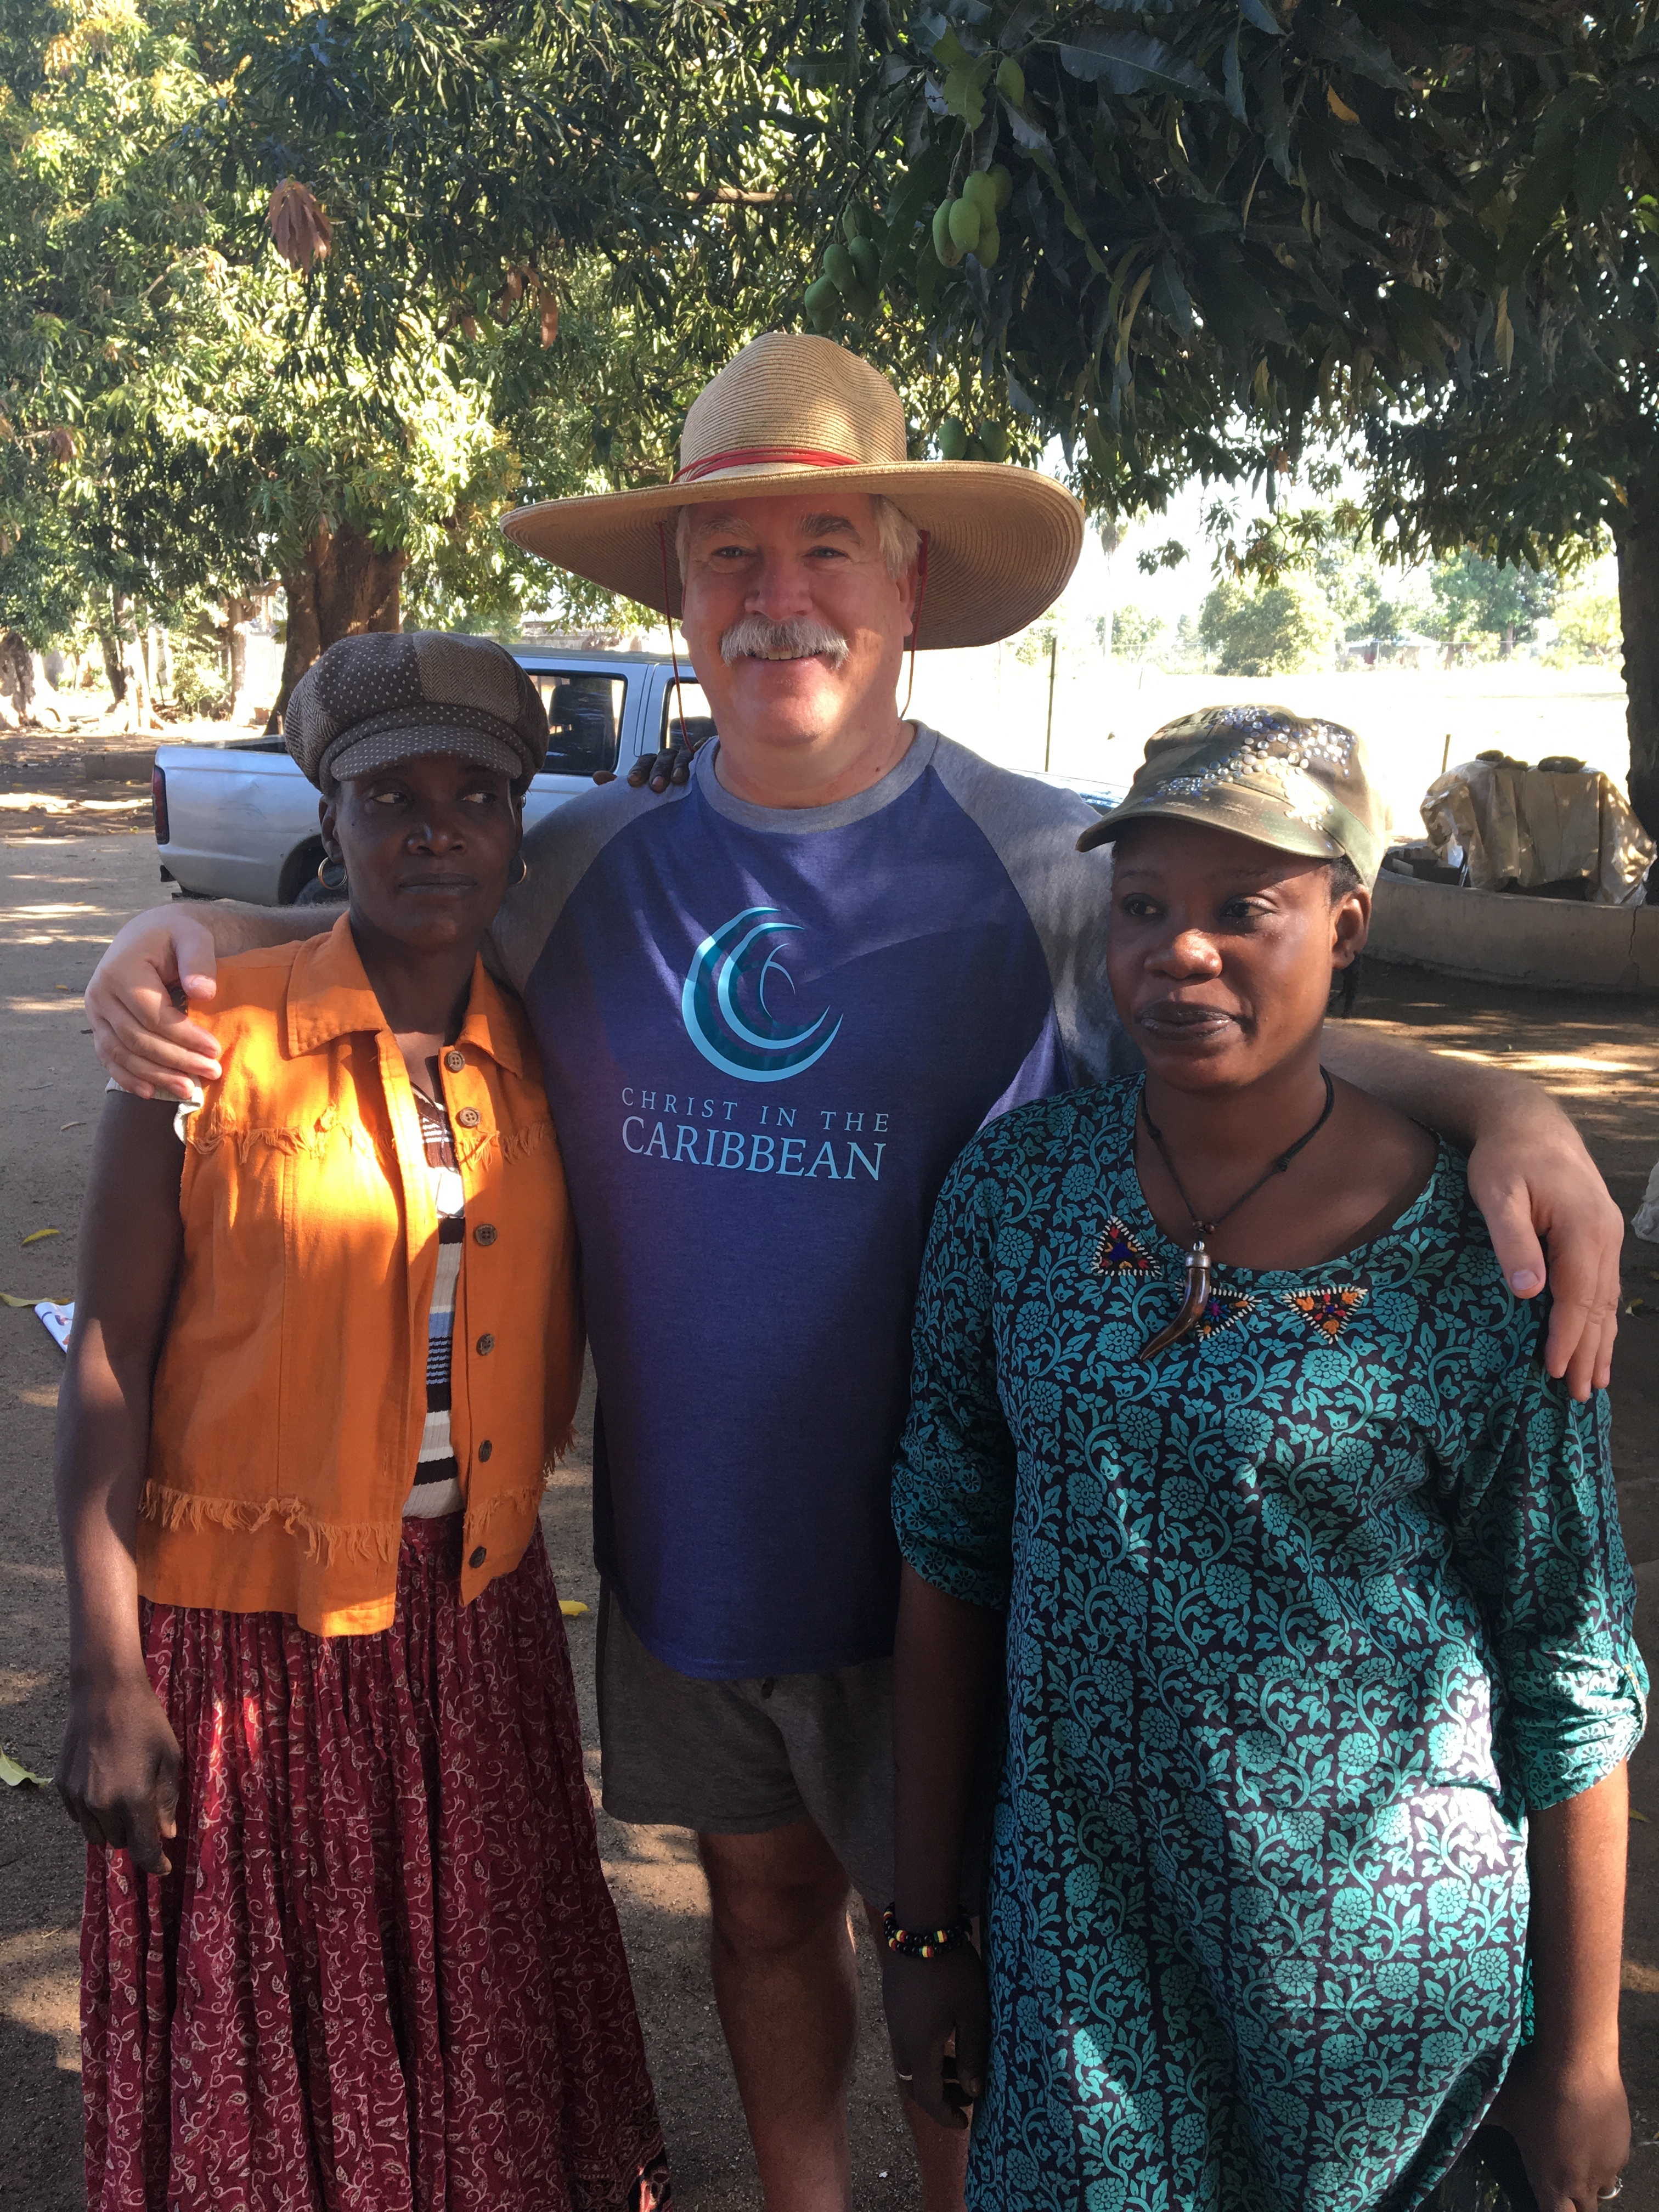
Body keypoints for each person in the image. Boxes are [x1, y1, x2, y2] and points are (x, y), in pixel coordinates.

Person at [83, 337, 1625, 2212]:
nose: (777, 597)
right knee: (759, 1920)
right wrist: (195, 931)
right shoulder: (582, 864)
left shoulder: (1050, 862)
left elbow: (1240, 1016)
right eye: (730, 557)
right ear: (682, 598)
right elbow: (385, 928)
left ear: (908, 585)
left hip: (957, 1579)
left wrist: (1497, 1102)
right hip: (692, 1560)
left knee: (967, 1973)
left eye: (829, 547)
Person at [883, 710, 1646, 2212]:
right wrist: (926, 1932)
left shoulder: (1483, 1256)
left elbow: (1570, 1661)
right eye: (1148, 906)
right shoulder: (1018, 1196)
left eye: (1248, 908)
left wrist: (1585, 2059)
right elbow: (948, 1547)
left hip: (1377, 1995)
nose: (1183, 950)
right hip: (1081, 1964)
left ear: (1346, 925)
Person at [57, 633, 668, 2212]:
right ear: (330, 817)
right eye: (389, 795)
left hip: (471, 1626)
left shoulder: (550, 1052)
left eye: (476, 796)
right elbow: (111, 1358)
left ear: (519, 829)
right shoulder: (211, 1042)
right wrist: (110, 1679)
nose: (433, 830)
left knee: (461, 2020)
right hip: (242, 1636)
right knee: (280, 2046)